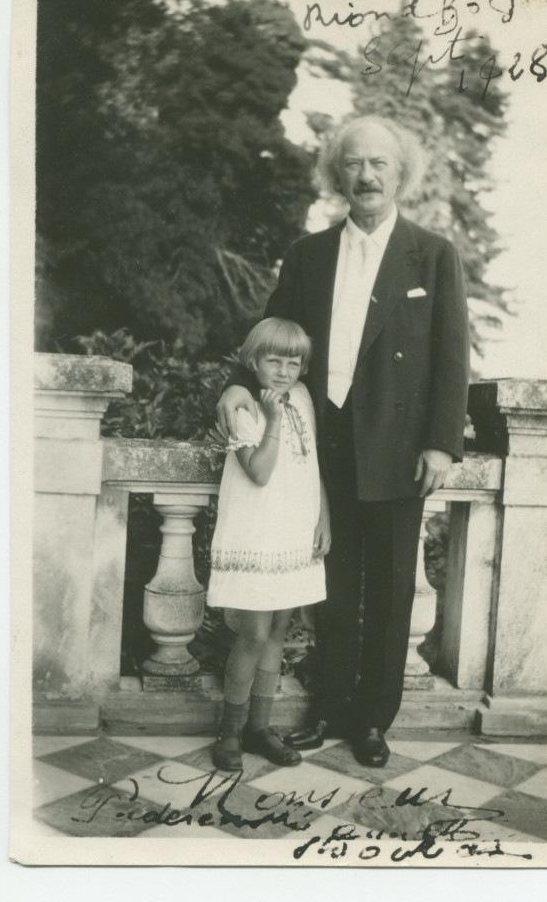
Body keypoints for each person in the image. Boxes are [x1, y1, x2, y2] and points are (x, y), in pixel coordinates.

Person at [217, 115, 470, 768]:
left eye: (379, 164)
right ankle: (326, 707)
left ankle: (373, 721)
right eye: (354, 163)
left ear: (400, 175)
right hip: (322, 455)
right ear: (338, 174)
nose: (366, 175)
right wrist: (233, 391)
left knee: (389, 594)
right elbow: (268, 336)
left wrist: (440, 443)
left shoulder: (433, 254)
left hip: (398, 452)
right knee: (328, 590)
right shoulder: (307, 255)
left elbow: (450, 357)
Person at [208, 317, 331, 771]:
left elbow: (312, 463)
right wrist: (273, 416)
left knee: (279, 628)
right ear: (253, 362)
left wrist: (324, 518)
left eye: (293, 362)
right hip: (256, 530)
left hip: (294, 529)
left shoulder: (302, 397)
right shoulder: (242, 407)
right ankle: (230, 732)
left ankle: (260, 727)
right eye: (273, 361)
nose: (283, 371)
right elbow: (258, 471)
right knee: (254, 632)